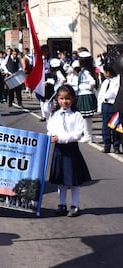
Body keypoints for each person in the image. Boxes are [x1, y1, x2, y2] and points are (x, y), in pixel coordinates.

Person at [47, 85, 91, 217]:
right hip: (59, 150)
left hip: (71, 150)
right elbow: (50, 128)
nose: (64, 101)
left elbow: (78, 134)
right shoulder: (54, 114)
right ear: (57, 99)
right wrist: (51, 137)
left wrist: (61, 138)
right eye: (61, 98)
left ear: (73, 99)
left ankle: (75, 205)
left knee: (74, 180)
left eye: (67, 98)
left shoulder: (77, 115)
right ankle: (62, 204)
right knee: (61, 179)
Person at [97, 61, 120, 153]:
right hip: (105, 105)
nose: (105, 74)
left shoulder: (117, 81)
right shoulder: (105, 82)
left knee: (115, 127)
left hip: (114, 105)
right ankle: (107, 145)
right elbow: (101, 95)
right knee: (105, 127)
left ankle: (116, 146)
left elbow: (113, 93)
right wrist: (99, 107)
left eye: (106, 72)